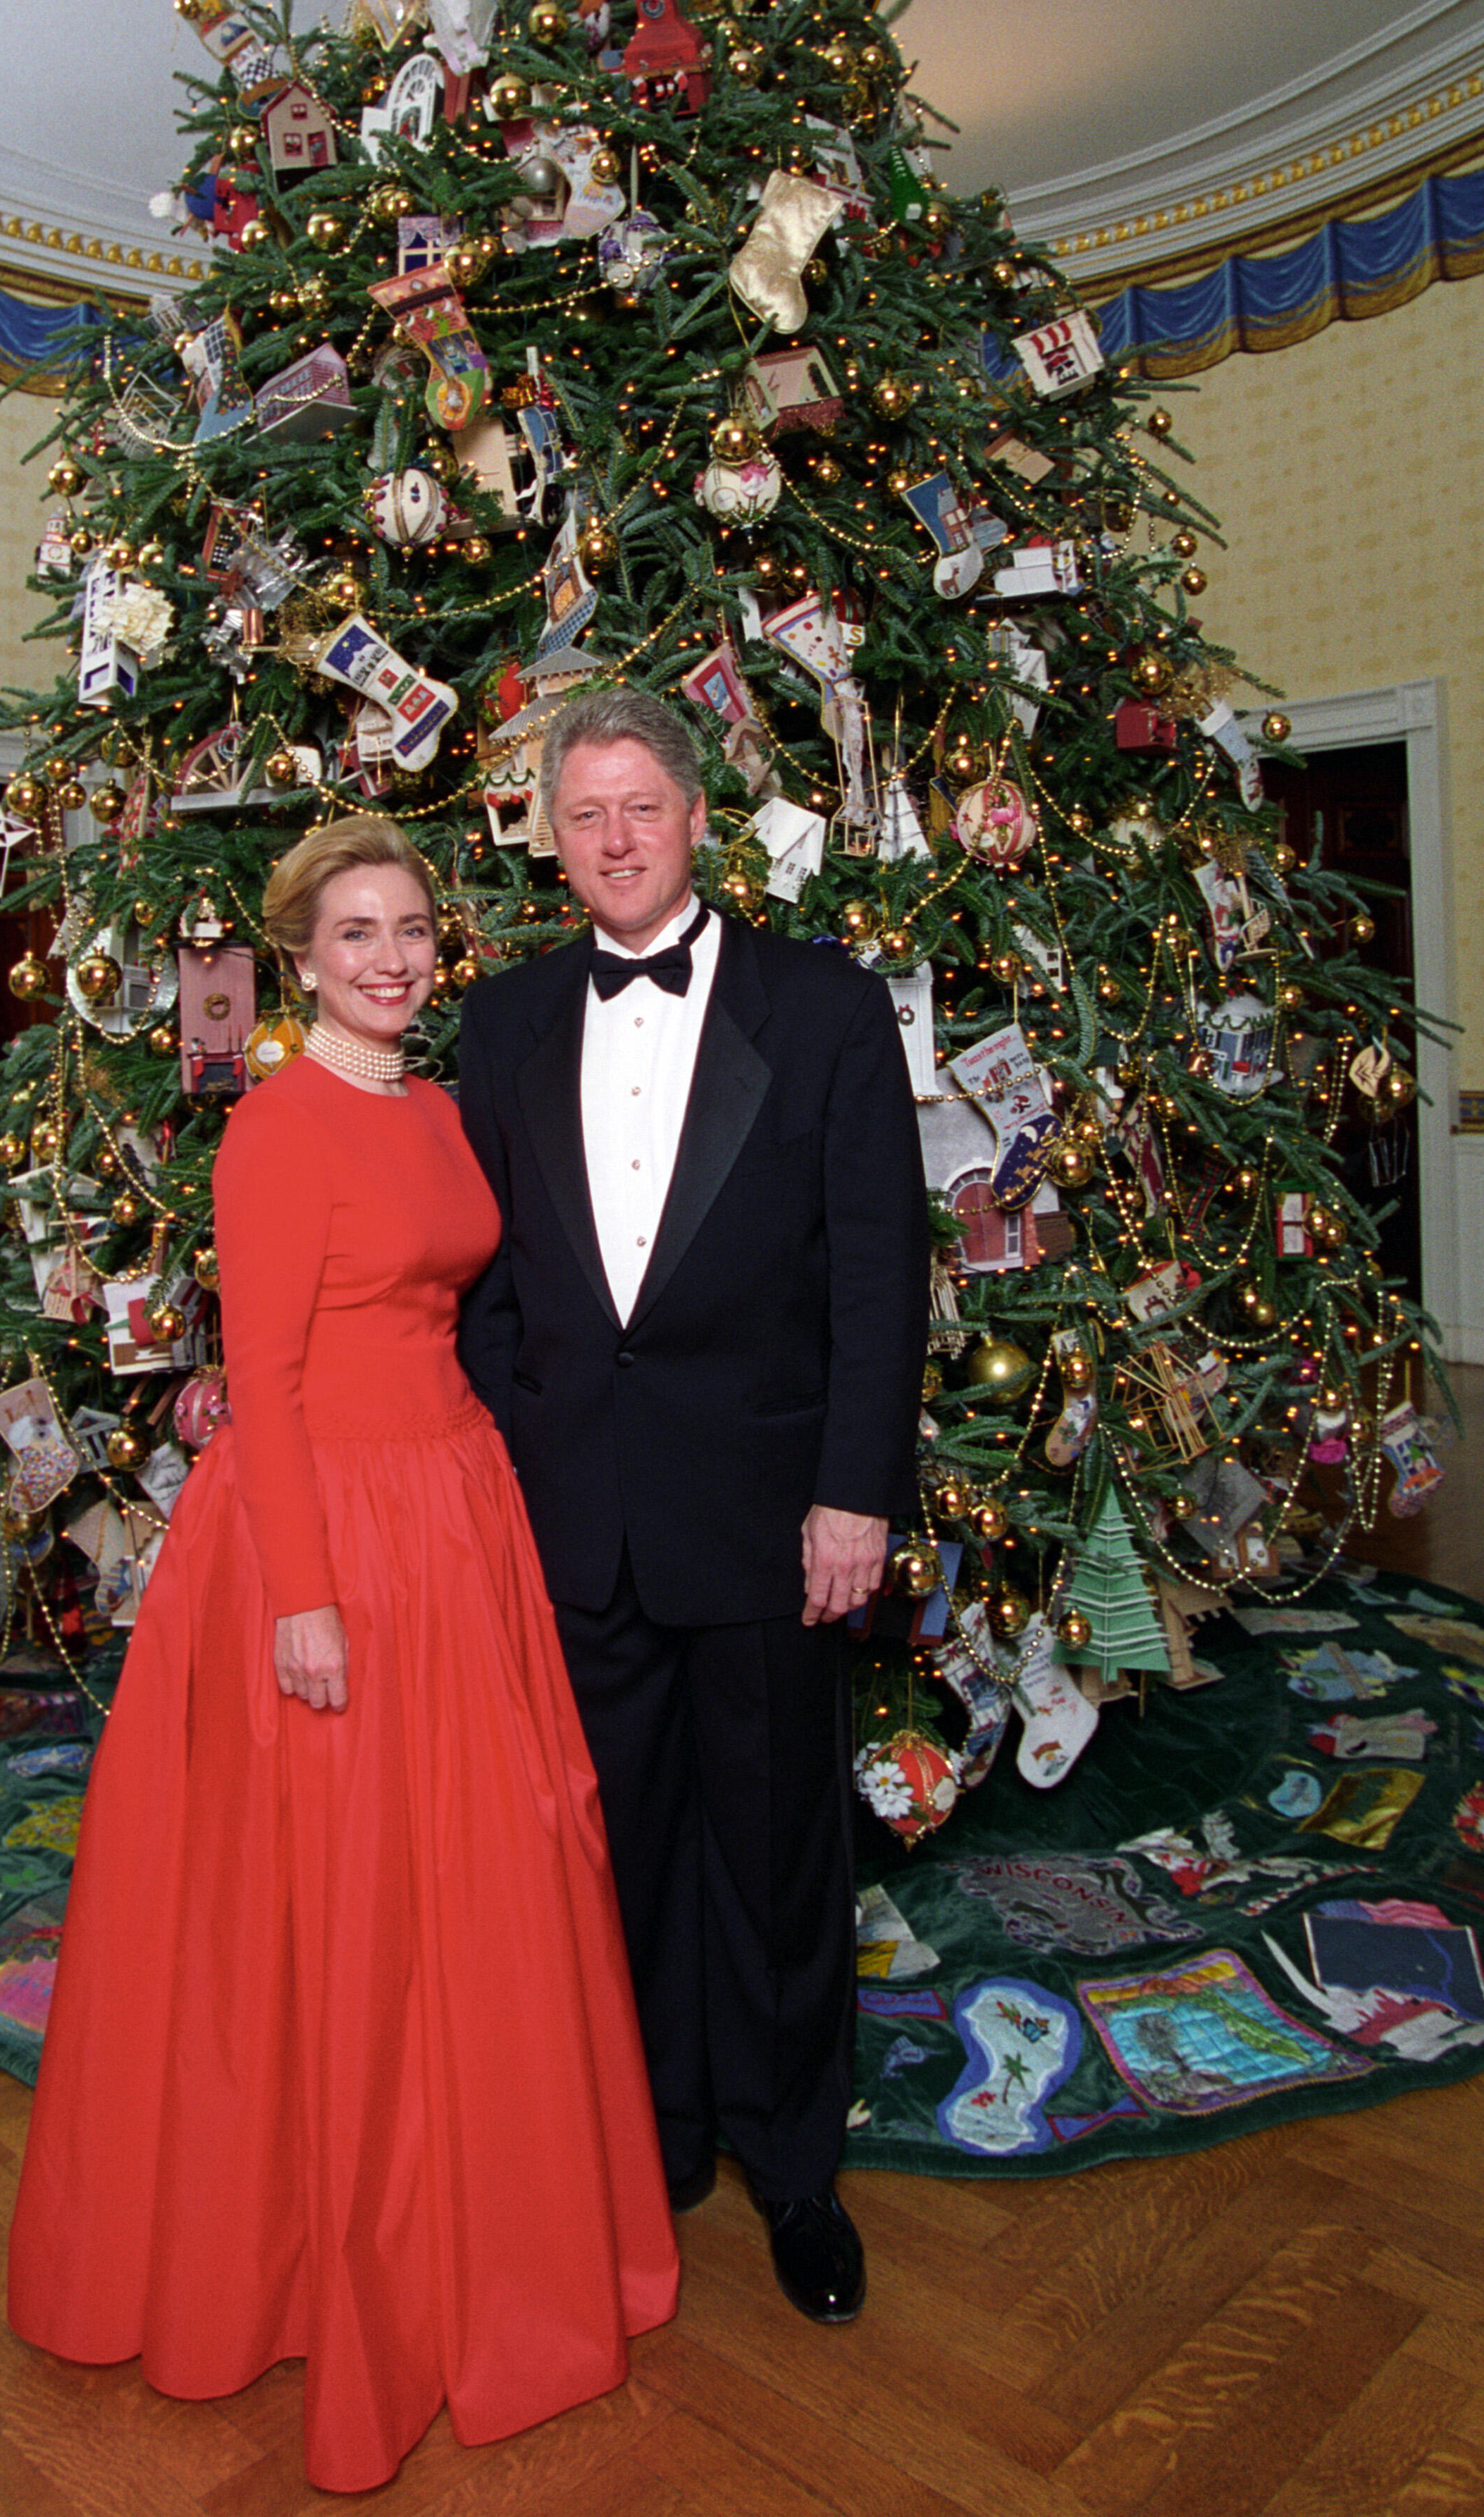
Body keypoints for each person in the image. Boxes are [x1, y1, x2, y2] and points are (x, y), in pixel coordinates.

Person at [8, 816, 676, 2495]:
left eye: (409, 931)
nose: (386, 958)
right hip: (327, 1537)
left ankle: (482, 2240)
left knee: (484, 1873)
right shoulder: (274, 1127)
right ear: (298, 960)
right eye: (353, 934)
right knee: (341, 1905)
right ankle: (330, 2265)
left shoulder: (442, 1108)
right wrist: (301, 1592)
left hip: (457, 1517)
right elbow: (273, 1380)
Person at [457, 690, 929, 2326]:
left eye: (638, 807)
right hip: (575, 1517)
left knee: (780, 1846)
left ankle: (795, 2164)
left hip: (769, 1520)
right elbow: (490, 1282)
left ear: (697, 814)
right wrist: (514, 1467)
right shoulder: (502, 1022)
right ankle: (650, 2132)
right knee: (620, 1848)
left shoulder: (821, 1007)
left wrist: (851, 1496)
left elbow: (878, 1277)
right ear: (549, 836)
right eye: (581, 816)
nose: (612, 841)